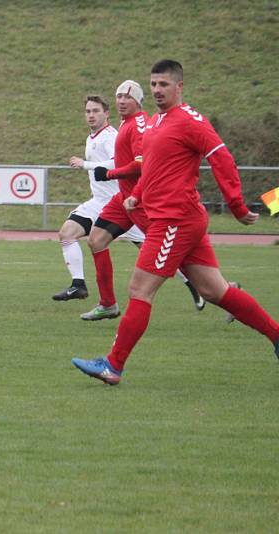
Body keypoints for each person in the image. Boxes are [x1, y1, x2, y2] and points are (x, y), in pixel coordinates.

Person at [72, 60, 279, 385]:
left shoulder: (190, 121)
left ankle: (112, 366)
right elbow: (152, 167)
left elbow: (221, 157)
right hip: (177, 218)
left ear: (179, 86)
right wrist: (137, 194)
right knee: (214, 290)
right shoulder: (156, 123)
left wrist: (237, 205)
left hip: (175, 219)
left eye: (163, 85)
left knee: (140, 289)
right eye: (153, 84)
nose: (156, 90)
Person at [80, 80, 205, 321]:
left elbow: (141, 164)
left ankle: (218, 291)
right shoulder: (127, 124)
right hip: (124, 199)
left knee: (180, 257)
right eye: (118, 96)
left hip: (142, 199)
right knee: (96, 240)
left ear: (138, 101)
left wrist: (109, 173)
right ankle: (108, 304)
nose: (121, 101)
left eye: (127, 97)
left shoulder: (138, 125)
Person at [53, 95, 144, 301]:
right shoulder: (92, 137)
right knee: (67, 233)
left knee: (157, 253)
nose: (91, 115)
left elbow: (118, 163)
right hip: (98, 202)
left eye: (96, 111)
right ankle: (78, 285)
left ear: (106, 113)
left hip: (120, 204)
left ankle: (206, 286)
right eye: (88, 111)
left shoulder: (111, 136)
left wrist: (86, 164)